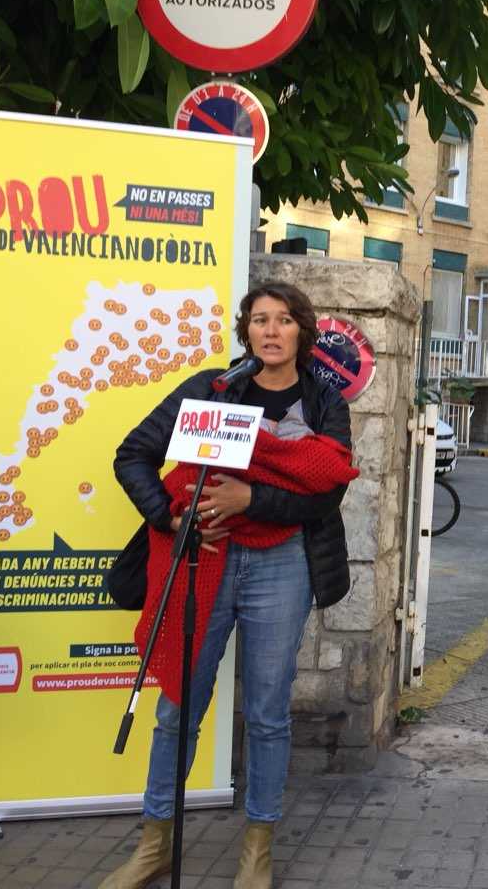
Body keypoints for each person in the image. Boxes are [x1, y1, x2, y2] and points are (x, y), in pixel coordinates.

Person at [103, 282, 358, 889]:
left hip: (282, 564)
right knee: (178, 709)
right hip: (202, 559)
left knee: (269, 712)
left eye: (284, 320)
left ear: (302, 331)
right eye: (259, 321)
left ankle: (257, 851)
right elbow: (132, 454)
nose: (271, 331)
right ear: (247, 332)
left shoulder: (324, 404)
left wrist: (252, 497)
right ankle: (155, 842)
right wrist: (171, 518)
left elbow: (326, 491)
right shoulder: (212, 391)